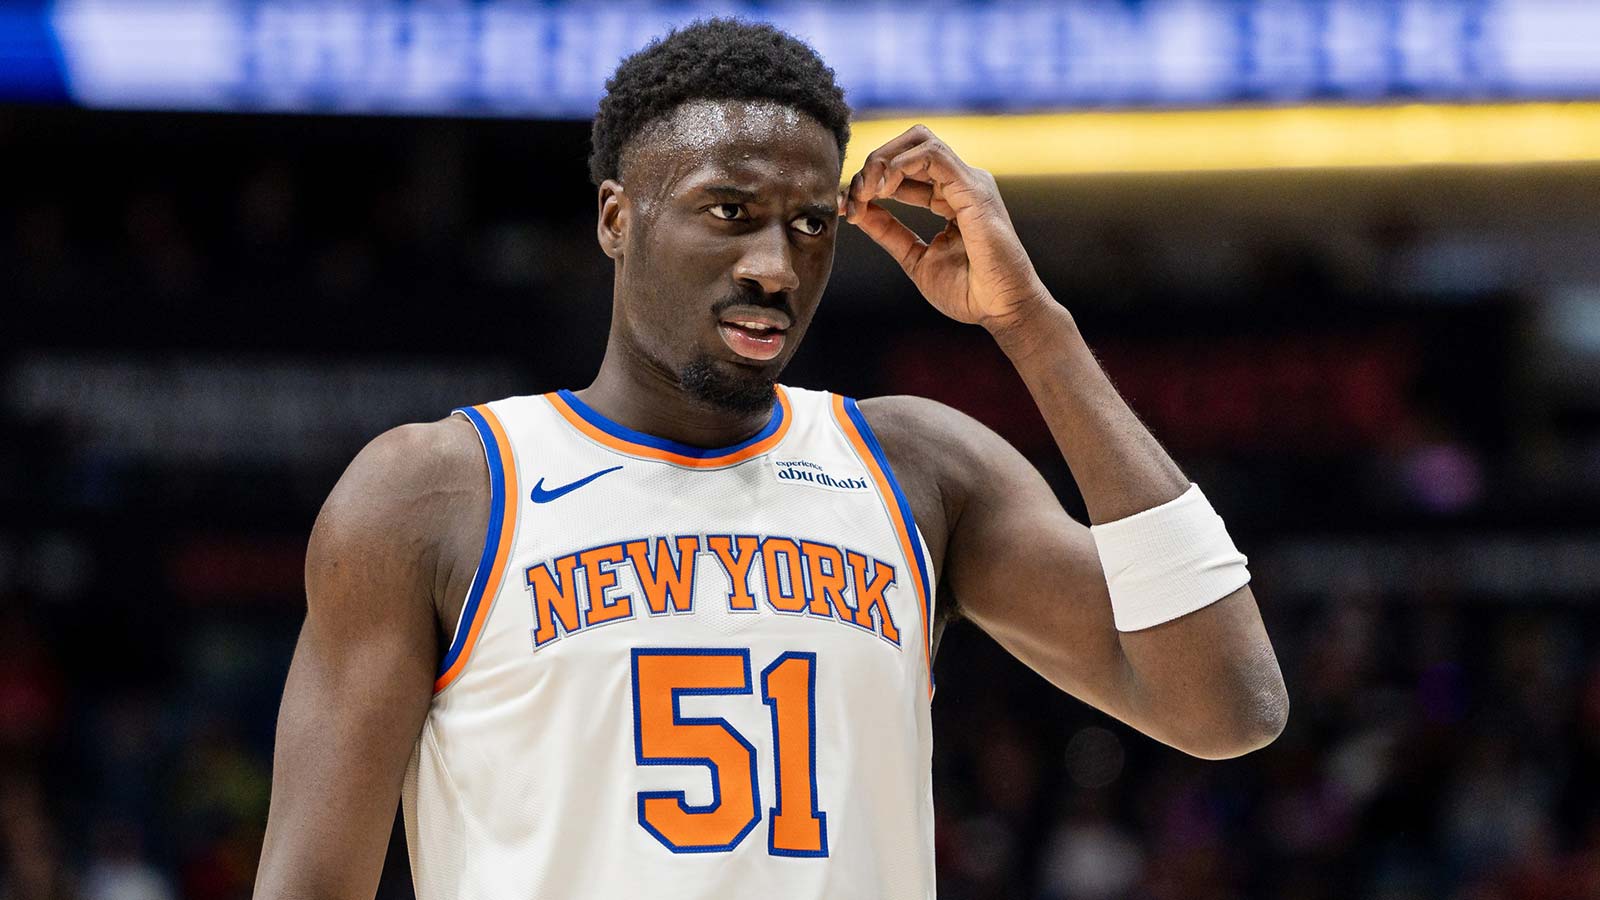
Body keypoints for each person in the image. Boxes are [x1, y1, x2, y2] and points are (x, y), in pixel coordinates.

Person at [253, 18, 1287, 900]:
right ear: (618, 217)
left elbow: (1228, 707)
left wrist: (1033, 326)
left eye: (809, 227)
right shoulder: (438, 491)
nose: (773, 267)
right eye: (729, 213)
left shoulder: (919, 469)